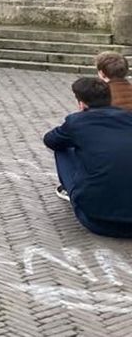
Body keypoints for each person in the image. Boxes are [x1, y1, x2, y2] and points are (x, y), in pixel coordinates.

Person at [43, 78, 132, 238]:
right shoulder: (128, 118)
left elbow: (50, 140)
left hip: (97, 220)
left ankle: (70, 189)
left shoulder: (77, 122)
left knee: (62, 147)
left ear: (82, 104)